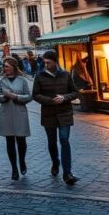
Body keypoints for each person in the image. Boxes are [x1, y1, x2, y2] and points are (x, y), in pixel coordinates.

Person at [32, 50, 80, 185]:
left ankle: (67, 173)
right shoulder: (40, 76)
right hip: (48, 114)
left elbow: (75, 92)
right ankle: (55, 161)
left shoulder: (65, 74)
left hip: (64, 112)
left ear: (55, 61)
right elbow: (35, 94)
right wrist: (50, 100)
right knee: (52, 142)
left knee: (64, 140)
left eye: (48, 62)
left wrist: (64, 97)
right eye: (44, 62)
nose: (46, 65)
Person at [0, 57, 32, 180]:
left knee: (21, 140)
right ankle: (14, 168)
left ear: (14, 67)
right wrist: (4, 97)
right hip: (6, 112)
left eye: (7, 66)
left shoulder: (22, 80)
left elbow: (29, 96)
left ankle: (22, 161)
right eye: (4, 66)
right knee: (9, 141)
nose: (5, 68)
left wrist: (16, 96)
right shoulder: (0, 81)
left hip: (20, 111)